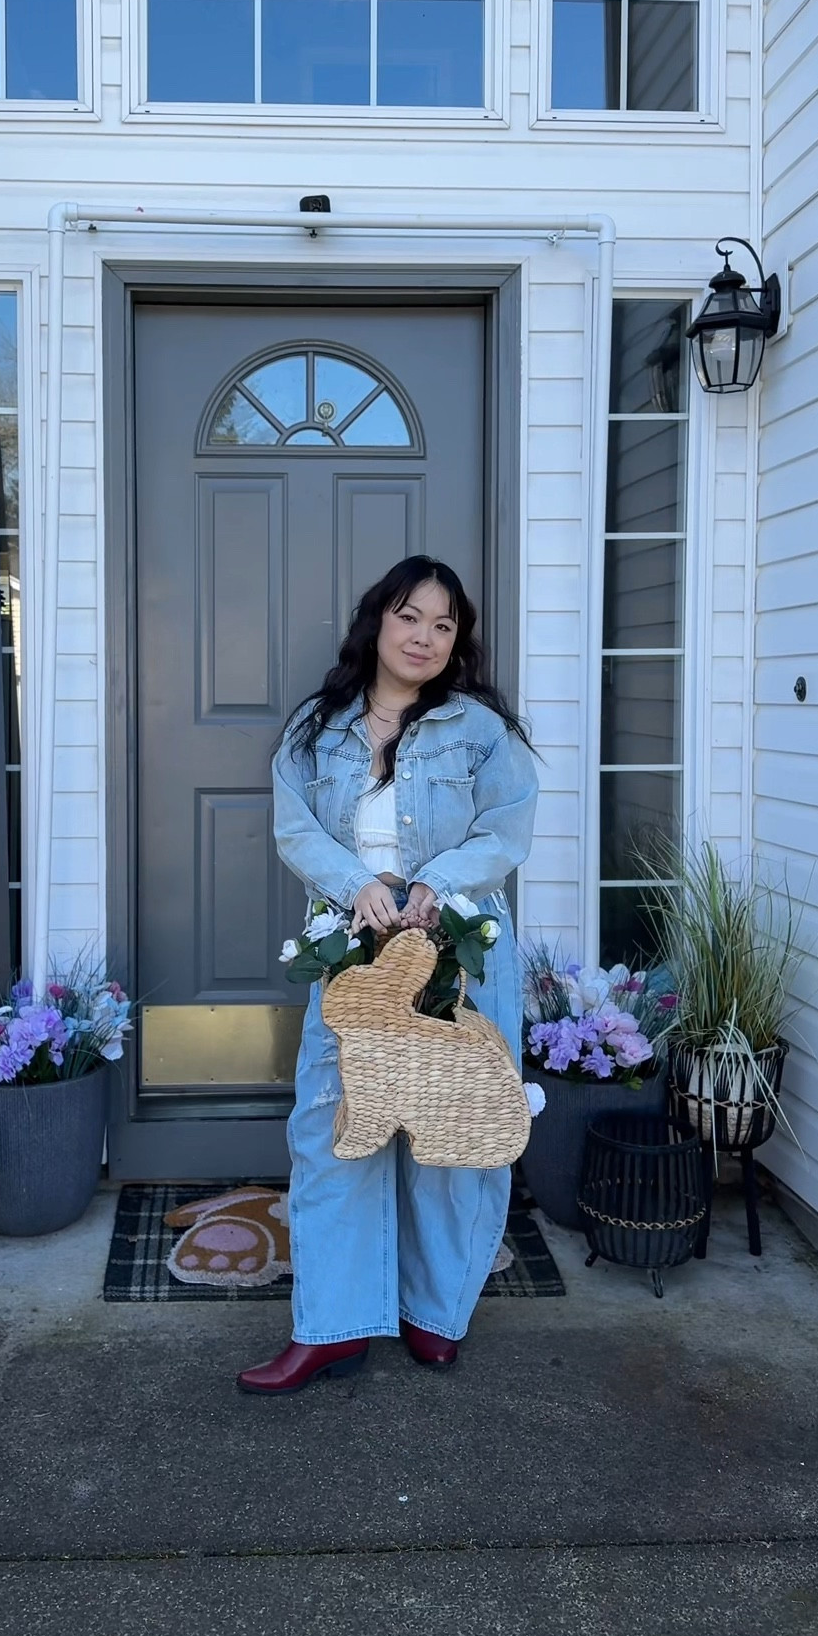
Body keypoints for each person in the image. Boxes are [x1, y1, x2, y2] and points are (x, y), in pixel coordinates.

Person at [237, 556, 539, 1396]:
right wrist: (355, 885)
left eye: (445, 627)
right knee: (337, 1132)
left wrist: (440, 883)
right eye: (413, 617)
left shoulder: (479, 731)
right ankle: (329, 1328)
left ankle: (433, 1312)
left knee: (452, 1136)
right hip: (355, 958)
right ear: (379, 620)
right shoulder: (318, 729)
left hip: (459, 957)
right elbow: (295, 828)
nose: (427, 638)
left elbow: (509, 828)